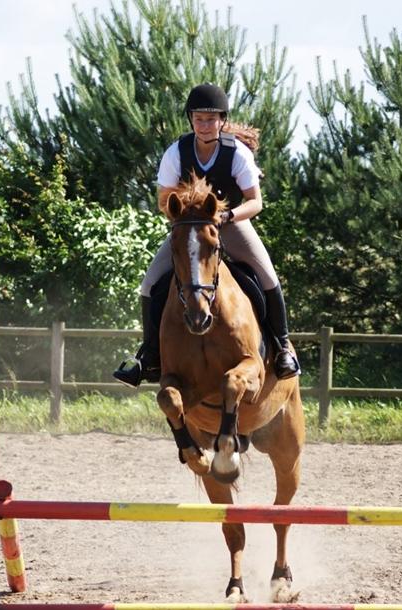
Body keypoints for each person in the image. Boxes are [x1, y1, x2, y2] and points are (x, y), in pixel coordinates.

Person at [113, 82, 301, 386]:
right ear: (191, 120)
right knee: (149, 284)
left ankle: (282, 347)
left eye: (211, 119)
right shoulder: (177, 152)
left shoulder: (236, 153)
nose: (204, 125)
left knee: (267, 275)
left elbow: (256, 202)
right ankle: (148, 357)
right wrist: (185, 212)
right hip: (190, 228)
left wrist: (226, 215)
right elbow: (164, 200)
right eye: (199, 119)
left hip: (231, 223)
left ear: (222, 121)